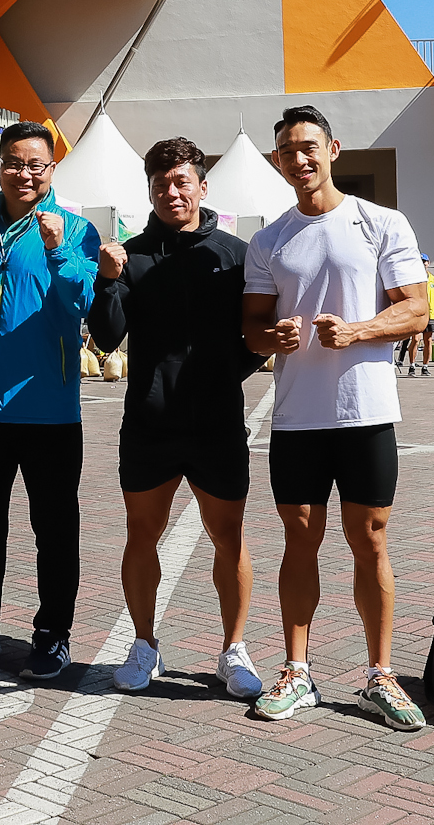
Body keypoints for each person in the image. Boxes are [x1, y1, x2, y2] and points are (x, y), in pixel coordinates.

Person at [240, 105, 430, 732]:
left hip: (367, 413)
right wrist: (275, 338)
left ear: (334, 149)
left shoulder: (381, 223)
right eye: (287, 151)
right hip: (297, 418)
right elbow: (251, 329)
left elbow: (417, 311)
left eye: (309, 146)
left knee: (370, 538)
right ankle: (297, 671)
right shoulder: (269, 241)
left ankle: (381, 675)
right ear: (278, 161)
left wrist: (357, 330)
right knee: (300, 540)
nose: (299, 159)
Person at [89, 137, 266, 698]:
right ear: (150, 189)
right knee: (143, 534)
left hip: (216, 424)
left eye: (181, 181)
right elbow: (106, 335)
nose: (171, 192)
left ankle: (232, 650)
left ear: (202, 186)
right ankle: (144, 644)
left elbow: (257, 334)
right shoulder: (132, 254)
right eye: (161, 183)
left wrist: (224, 373)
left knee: (229, 538)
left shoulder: (236, 255)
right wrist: (108, 279)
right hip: (149, 421)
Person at [0, 120, 100, 681]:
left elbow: (80, 305)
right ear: (0, 163)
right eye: (15, 162)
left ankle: (53, 633)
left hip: (50, 412)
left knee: (55, 530)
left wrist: (60, 250)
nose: (25, 174)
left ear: (52, 169)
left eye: (37, 164)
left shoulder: (77, 230)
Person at [396, 254, 434, 377]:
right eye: (420, 261)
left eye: (424, 261)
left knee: (428, 341)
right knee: (415, 339)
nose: (422, 263)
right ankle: (412, 365)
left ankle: (425, 366)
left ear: (428, 263)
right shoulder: (412, 278)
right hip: (417, 313)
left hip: (431, 313)